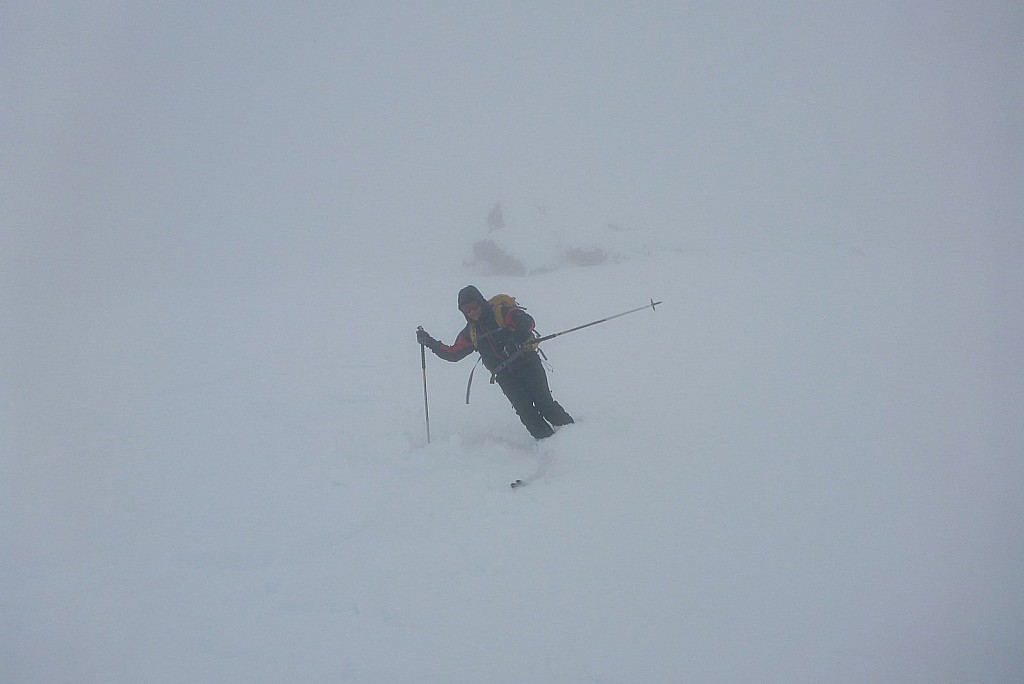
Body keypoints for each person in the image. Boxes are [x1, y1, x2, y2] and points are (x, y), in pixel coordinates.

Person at [416, 285, 574, 439]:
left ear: (480, 302)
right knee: (526, 413)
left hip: (528, 364)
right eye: (467, 310)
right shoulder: (471, 333)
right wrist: (429, 341)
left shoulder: (501, 313)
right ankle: (550, 445)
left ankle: (574, 435)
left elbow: (527, 322)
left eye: (474, 307)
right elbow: (454, 354)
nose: (472, 312)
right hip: (505, 376)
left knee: (545, 404)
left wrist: (516, 338)